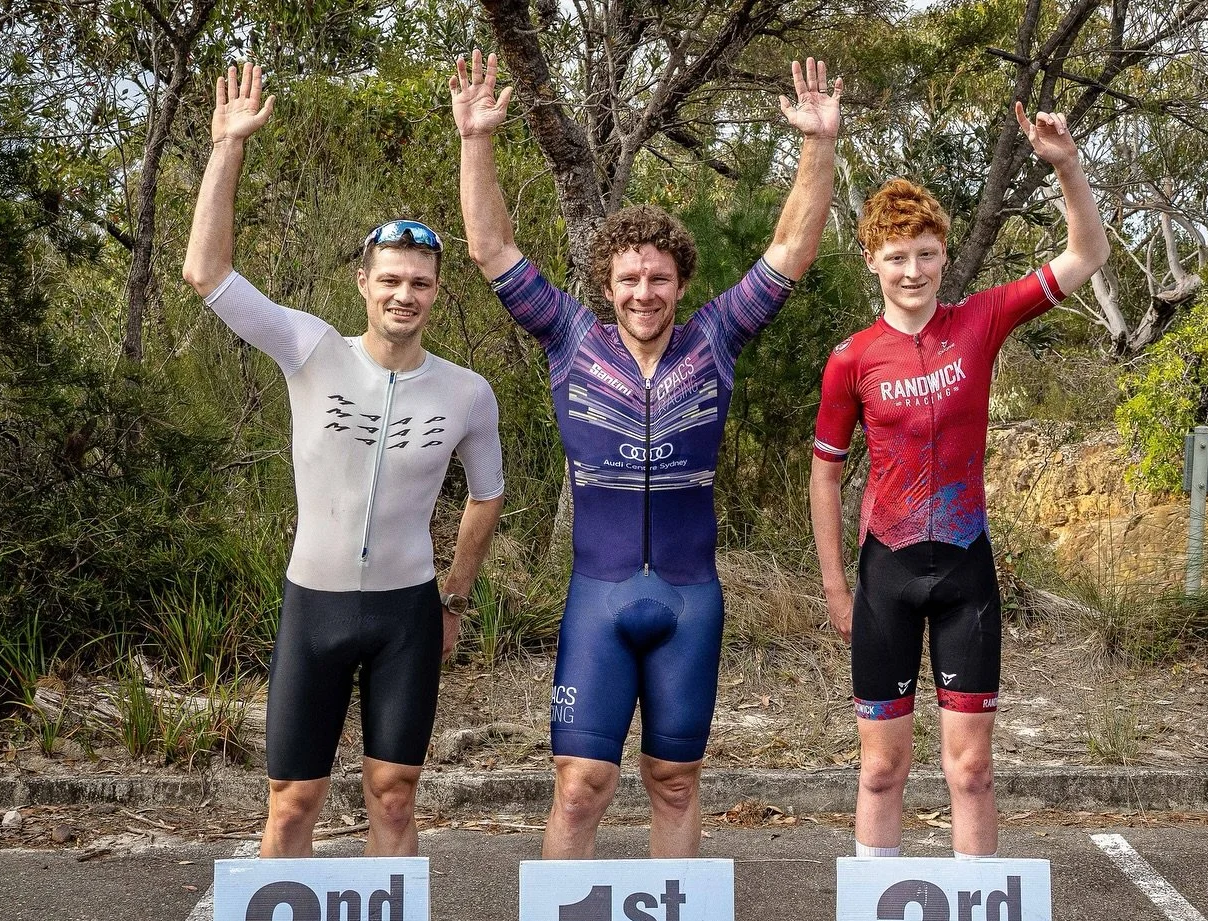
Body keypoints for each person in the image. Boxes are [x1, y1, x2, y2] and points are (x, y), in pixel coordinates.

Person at [452, 49, 841, 859]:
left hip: (690, 602)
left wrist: (819, 144)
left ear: (680, 281)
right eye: (629, 279)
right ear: (607, 282)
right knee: (580, 784)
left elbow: (790, 251)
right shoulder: (567, 337)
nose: (644, 293)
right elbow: (491, 249)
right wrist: (476, 139)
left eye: (659, 278)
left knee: (674, 779)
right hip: (598, 598)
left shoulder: (718, 338)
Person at [182, 63, 506, 858]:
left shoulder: (466, 393)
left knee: (394, 798)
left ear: (437, 293)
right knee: (293, 802)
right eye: (390, 279)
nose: (405, 295)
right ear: (363, 283)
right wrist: (226, 148)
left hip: (405, 615)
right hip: (314, 606)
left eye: (421, 283)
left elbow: (487, 496)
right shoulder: (311, 349)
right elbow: (206, 273)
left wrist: (454, 597)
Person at [810, 104, 1110, 860]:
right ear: (871, 262)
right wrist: (836, 588)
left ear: (945, 255)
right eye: (897, 257)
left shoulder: (981, 320)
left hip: (967, 570)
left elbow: (1088, 253)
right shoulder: (852, 358)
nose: (912, 271)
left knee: (971, 770)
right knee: (881, 770)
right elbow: (825, 473)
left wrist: (1067, 166)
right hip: (887, 573)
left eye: (926, 254)